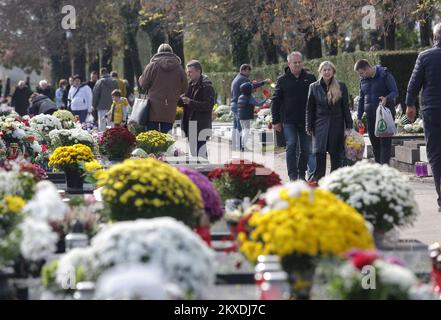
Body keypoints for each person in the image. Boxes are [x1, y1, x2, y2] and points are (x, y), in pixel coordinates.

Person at [406, 22, 441, 212]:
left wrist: (410, 105)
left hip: (432, 110)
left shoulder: (425, 56)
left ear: (434, 38)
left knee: (436, 155)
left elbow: (413, 84)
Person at [271, 52, 317, 181]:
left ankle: (302, 174)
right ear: (289, 64)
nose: (297, 64)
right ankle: (292, 176)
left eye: (299, 62)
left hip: (306, 120)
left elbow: (316, 99)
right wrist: (276, 121)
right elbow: (276, 101)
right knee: (291, 145)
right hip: (289, 120)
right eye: (294, 62)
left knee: (306, 148)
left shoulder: (310, 78)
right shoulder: (282, 80)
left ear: (302, 63)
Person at [306, 61, 353, 183]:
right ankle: (318, 180)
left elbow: (345, 107)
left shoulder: (341, 86)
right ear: (320, 72)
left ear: (333, 72)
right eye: (324, 70)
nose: (327, 72)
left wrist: (349, 125)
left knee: (335, 155)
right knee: (319, 154)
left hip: (336, 125)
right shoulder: (313, 87)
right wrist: (308, 125)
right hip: (319, 125)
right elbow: (310, 109)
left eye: (329, 70)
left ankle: (334, 182)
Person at [355, 59, 398, 164]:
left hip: (384, 115)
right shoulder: (363, 81)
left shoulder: (384, 74)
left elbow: (395, 91)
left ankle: (384, 171)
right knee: (375, 145)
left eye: (361, 73)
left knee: (385, 144)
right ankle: (379, 170)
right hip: (370, 116)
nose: (360, 76)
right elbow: (361, 99)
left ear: (367, 68)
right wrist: (359, 117)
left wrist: (386, 98)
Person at [139, 43, 188, 134]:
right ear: (172, 52)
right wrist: (174, 93)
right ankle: (165, 148)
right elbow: (185, 87)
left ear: (158, 53)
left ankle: (153, 149)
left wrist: (141, 79)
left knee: (152, 137)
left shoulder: (152, 65)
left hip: (152, 108)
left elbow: (143, 84)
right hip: (170, 108)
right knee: (166, 137)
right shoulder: (179, 68)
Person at [230, 64, 271, 150]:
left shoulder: (235, 79)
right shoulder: (244, 79)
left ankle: (235, 145)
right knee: (242, 128)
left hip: (234, 104)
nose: (249, 73)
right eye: (248, 71)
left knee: (235, 126)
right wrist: (264, 82)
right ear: (244, 70)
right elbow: (252, 86)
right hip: (240, 106)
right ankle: (241, 147)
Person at [180, 60, 215, 159]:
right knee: (194, 152)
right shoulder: (189, 84)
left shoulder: (206, 86)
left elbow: (209, 105)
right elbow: (184, 100)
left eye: (190, 71)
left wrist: (190, 102)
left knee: (201, 153)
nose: (188, 74)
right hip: (190, 123)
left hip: (200, 124)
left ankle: (206, 173)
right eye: (188, 71)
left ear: (198, 71)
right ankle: (199, 172)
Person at [237, 82, 266, 151]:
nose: (253, 89)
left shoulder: (240, 96)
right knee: (246, 131)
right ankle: (243, 147)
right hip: (246, 116)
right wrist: (266, 99)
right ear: (248, 90)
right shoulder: (249, 97)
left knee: (244, 130)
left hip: (241, 116)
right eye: (251, 88)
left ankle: (242, 146)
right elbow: (258, 104)